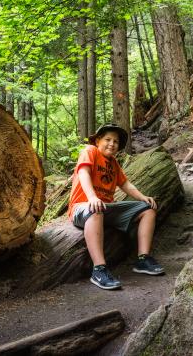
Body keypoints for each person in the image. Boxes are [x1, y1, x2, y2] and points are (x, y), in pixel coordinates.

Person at [68, 123, 164, 290]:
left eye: (116, 142)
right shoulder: (89, 152)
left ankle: (143, 259)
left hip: (105, 209)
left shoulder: (113, 163)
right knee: (97, 209)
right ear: (97, 141)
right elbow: (83, 173)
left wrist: (143, 198)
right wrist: (92, 197)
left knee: (148, 210)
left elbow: (126, 184)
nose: (112, 144)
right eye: (108, 139)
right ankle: (99, 270)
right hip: (82, 207)